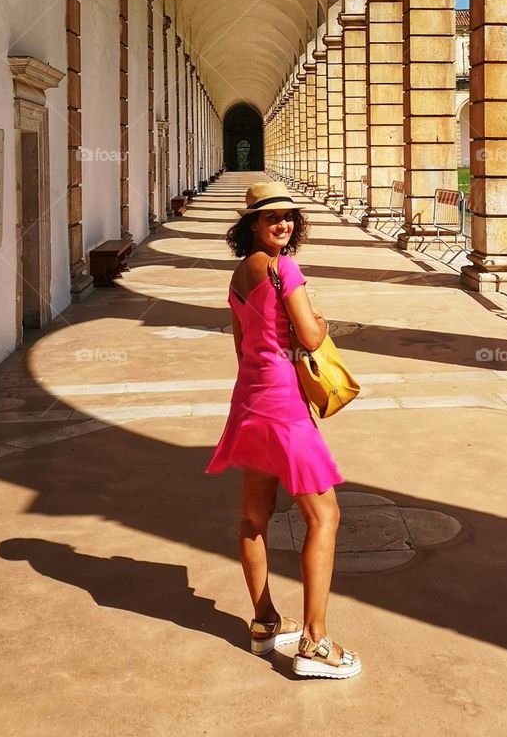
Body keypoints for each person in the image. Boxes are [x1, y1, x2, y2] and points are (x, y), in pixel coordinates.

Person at [204, 181, 362, 679]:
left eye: (288, 216)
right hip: (283, 404)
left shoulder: (236, 276)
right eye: (271, 216)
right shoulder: (283, 267)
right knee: (325, 517)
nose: (282, 223)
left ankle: (265, 623)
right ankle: (314, 643)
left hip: (250, 398)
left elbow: (240, 347)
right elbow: (312, 337)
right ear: (251, 224)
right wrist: (317, 320)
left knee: (255, 516)